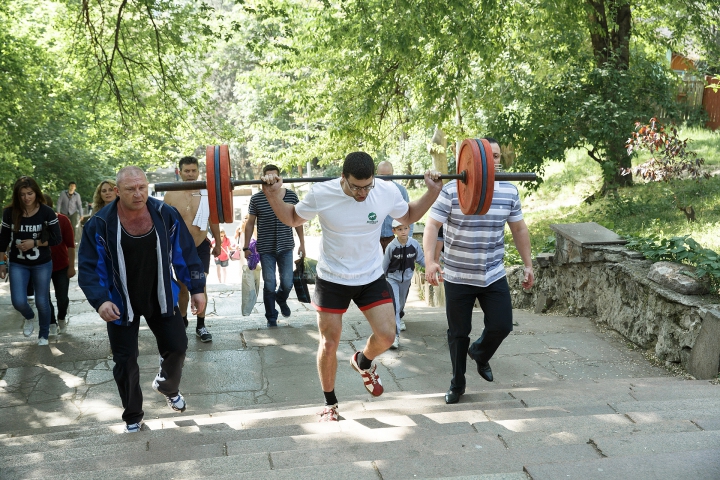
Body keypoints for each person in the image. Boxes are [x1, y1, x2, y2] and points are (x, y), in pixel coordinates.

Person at [260, 151, 442, 421]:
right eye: (357, 187)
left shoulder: (385, 191)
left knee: (387, 336)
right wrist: (274, 194)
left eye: (368, 186)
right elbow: (292, 218)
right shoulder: (322, 193)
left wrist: (433, 192)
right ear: (343, 177)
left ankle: (363, 361)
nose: (363, 193)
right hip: (332, 278)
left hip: (369, 275)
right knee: (329, 343)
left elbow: (409, 214)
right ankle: (330, 404)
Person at [78, 166, 206, 433]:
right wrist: (100, 300)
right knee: (125, 362)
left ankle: (167, 385)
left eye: (142, 188)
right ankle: (133, 415)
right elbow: (90, 268)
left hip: (159, 294)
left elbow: (184, 253)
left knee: (178, 346)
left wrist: (196, 288)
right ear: (116, 191)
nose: (138, 194)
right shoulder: (99, 223)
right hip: (119, 300)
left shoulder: (164, 214)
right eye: (130, 189)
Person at [422, 137, 534, 405]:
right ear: (475, 161)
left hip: (492, 272)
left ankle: (481, 353)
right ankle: (457, 384)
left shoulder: (508, 191)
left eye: (496, 156)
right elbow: (431, 226)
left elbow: (518, 229)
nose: (493, 161)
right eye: (487, 156)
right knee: (458, 333)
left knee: (502, 325)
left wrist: (528, 265)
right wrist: (430, 261)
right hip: (458, 275)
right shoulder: (451, 190)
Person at [162, 156, 222, 343]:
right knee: (182, 286)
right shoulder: (170, 194)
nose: (190, 174)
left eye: (193, 170)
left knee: (200, 283)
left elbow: (213, 219)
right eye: (186, 171)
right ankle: (182, 321)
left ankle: (201, 325)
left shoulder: (206, 192)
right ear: (180, 172)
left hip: (201, 244)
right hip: (179, 247)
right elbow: (164, 222)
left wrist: (218, 243)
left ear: (198, 171)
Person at [0, 176, 62, 345]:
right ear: (17, 195)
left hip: (41, 263)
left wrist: (34, 242)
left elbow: (57, 239)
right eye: (22, 194)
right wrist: (1, 263)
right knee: (18, 301)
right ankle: (29, 317)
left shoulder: (46, 212)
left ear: (36, 193)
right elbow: (3, 239)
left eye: (30, 193)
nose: (26, 198)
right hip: (18, 263)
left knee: (42, 301)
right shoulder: (10, 213)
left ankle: (43, 334)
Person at [244, 164, 305, 327]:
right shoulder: (257, 198)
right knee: (269, 284)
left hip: (286, 246)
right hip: (266, 248)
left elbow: (298, 222)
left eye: (274, 177)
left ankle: (281, 298)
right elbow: (250, 223)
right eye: (267, 178)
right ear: (263, 178)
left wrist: (302, 244)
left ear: (280, 178)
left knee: (287, 283)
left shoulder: (291, 196)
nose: (271, 181)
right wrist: (246, 247)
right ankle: (271, 316)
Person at [382, 219, 425, 349]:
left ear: (409, 229)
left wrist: (432, 268)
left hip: (406, 280)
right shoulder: (391, 246)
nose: (403, 231)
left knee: (400, 305)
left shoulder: (414, 244)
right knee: (395, 306)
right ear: (394, 231)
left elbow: (421, 259)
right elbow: (384, 265)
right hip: (392, 279)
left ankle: (399, 318)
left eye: (405, 228)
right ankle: (394, 336)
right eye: (399, 229)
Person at [42, 194, 76, 335]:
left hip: (61, 265)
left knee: (62, 298)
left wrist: (72, 266)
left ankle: (61, 317)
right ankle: (51, 323)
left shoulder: (62, 220)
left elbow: (70, 245)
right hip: (40, 266)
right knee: (44, 298)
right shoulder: (31, 222)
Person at [377, 161, 412, 253]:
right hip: (374, 238)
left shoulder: (400, 190)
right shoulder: (370, 190)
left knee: (394, 265)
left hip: (393, 237)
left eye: (388, 176)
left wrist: (408, 239)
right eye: (382, 176)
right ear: (376, 174)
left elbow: (408, 215)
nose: (385, 179)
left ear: (393, 173)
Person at [56, 181, 82, 246]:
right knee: (62, 226)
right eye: (71, 186)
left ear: (75, 187)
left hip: (73, 213)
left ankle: (73, 240)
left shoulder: (77, 195)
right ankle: (61, 240)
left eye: (73, 186)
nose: (72, 187)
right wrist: (58, 212)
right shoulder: (63, 193)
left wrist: (81, 215)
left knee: (73, 226)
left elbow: (79, 205)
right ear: (69, 186)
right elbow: (59, 203)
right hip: (64, 212)